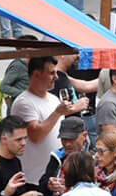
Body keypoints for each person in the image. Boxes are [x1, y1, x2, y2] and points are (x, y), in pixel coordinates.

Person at [11, 55, 91, 186]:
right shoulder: (24, 102)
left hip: (52, 178)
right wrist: (58, 112)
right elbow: (36, 135)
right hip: (32, 180)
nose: (56, 77)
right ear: (36, 74)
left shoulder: (53, 99)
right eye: (51, 73)